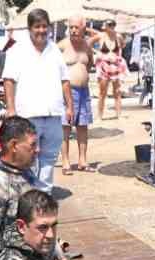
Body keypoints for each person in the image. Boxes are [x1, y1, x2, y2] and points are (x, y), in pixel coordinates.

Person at [0, 115, 76, 260]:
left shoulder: (28, 174)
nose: (38, 150)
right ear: (14, 146)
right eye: (32, 145)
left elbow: (45, 226)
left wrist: (62, 259)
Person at [1, 8, 73, 191]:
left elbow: (65, 80)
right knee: (27, 158)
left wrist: (69, 106)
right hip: (28, 114)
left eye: (44, 26)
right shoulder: (17, 50)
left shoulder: (55, 49)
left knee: (49, 158)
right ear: (29, 28)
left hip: (53, 114)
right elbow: (8, 80)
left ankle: (44, 195)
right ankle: (27, 195)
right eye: (37, 27)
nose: (41, 30)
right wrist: (10, 110)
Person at [59, 19, 96, 174]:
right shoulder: (61, 45)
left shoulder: (87, 46)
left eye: (76, 27)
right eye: (71, 27)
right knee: (66, 127)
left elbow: (90, 63)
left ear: (83, 29)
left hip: (84, 91)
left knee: (83, 126)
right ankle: (65, 162)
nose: (73, 30)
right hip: (67, 91)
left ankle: (82, 160)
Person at [90, 20, 127, 122]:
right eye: (109, 25)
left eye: (113, 24)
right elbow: (89, 43)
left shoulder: (118, 36)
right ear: (105, 26)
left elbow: (123, 45)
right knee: (102, 92)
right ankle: (100, 116)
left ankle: (119, 114)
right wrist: (97, 53)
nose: (112, 27)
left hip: (115, 66)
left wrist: (117, 56)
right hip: (104, 67)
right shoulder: (100, 36)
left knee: (117, 91)